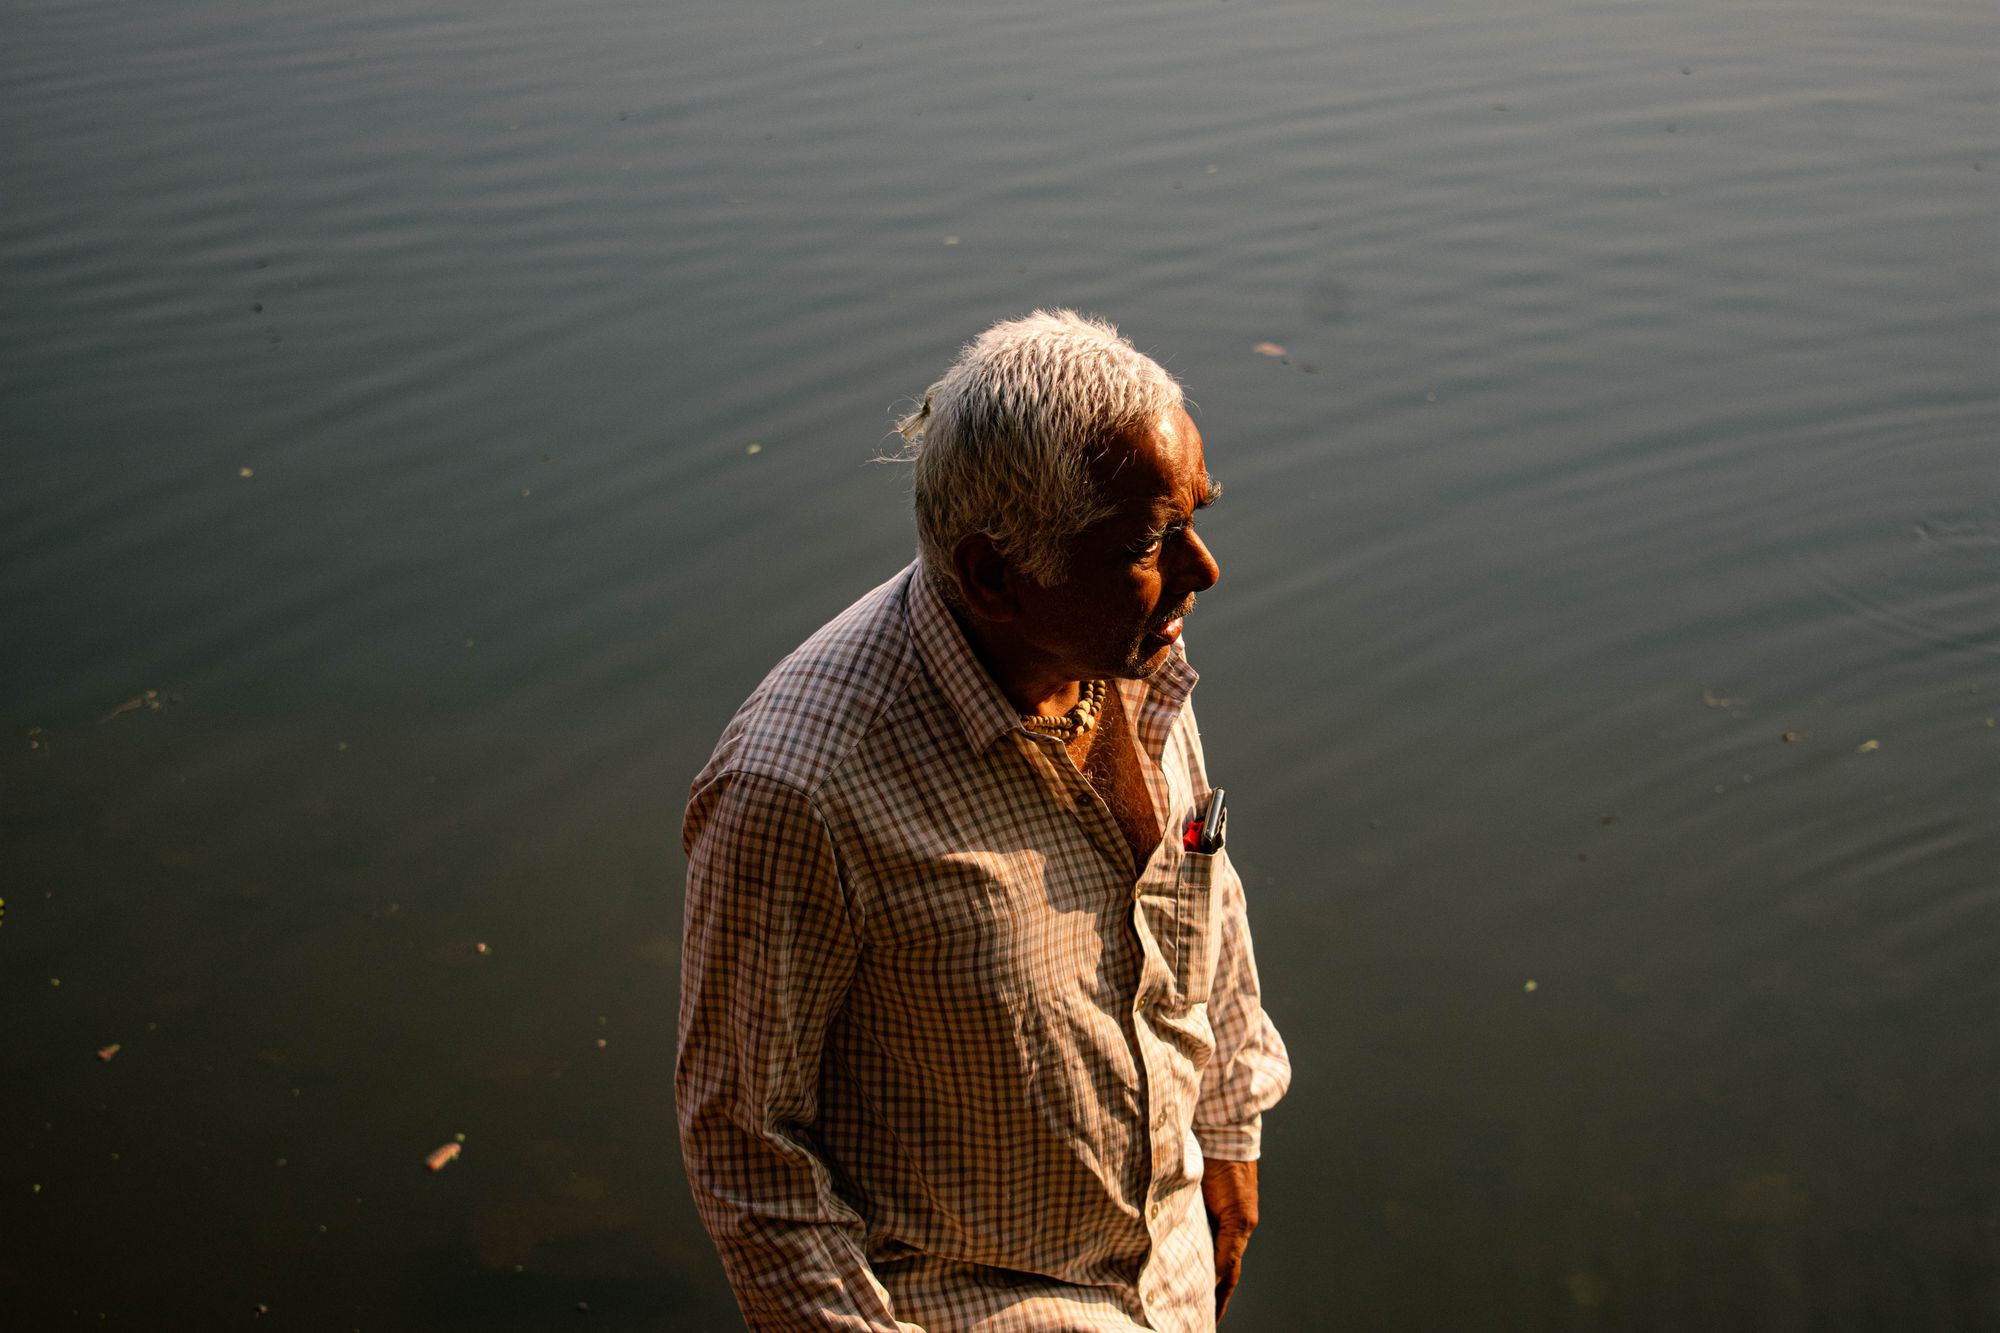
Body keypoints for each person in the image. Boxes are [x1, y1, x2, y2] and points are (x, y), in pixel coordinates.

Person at [676, 310, 1291, 1332]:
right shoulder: (798, 788)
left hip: (1168, 1278)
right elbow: (746, 1153)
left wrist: (1227, 1134)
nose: (1202, 566)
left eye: (1196, 513)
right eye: (1148, 540)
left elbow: (1202, 905)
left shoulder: (1130, 658)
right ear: (994, 576)